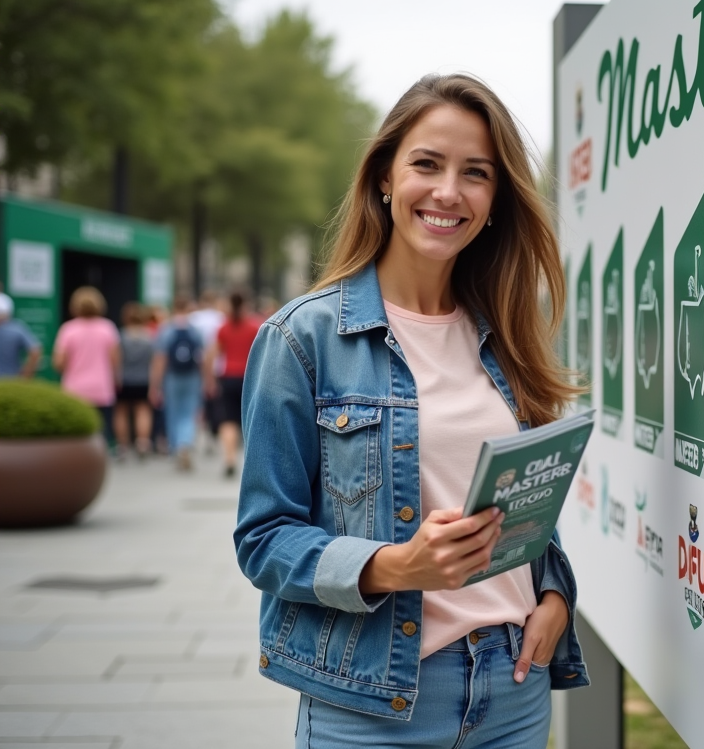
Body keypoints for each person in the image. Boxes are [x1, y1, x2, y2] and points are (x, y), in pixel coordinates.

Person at [234, 73, 588, 749]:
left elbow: (521, 510)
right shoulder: (302, 339)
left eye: (476, 173)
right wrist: (396, 566)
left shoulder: (508, 335)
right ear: (385, 178)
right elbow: (263, 539)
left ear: (495, 201)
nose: (448, 191)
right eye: (427, 164)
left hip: (514, 691)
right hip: (375, 707)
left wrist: (553, 595)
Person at [52, 287, 120, 446]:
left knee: (76, 431)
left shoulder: (68, 329)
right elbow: (115, 360)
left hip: (74, 388)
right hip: (101, 386)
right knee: (100, 430)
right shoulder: (107, 328)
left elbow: (59, 362)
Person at [205, 291, 258, 479]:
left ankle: (229, 460)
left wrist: (210, 380)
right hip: (249, 378)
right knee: (250, 420)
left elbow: (211, 355)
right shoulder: (253, 327)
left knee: (228, 421)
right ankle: (252, 461)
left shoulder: (223, 328)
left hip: (227, 378)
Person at [149, 296, 205, 470]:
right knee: (189, 412)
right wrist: (206, 379)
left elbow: (160, 359)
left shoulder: (166, 329)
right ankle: (185, 443)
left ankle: (176, 448)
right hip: (192, 376)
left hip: (172, 376)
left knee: (173, 412)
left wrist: (154, 385)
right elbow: (201, 357)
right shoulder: (195, 330)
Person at [114, 302, 155, 459]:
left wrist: (116, 377)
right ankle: (142, 443)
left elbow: (116, 360)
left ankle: (122, 446)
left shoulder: (121, 336)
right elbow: (153, 361)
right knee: (143, 410)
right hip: (143, 379)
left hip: (124, 379)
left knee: (121, 411)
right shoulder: (149, 337)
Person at [190, 291, 226, 455]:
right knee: (215, 403)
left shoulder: (193, 318)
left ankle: (196, 435)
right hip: (218, 367)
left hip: (195, 366)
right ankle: (213, 434)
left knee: (198, 402)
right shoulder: (221, 319)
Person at [0, 292, 42, 378]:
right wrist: (25, 376)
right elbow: (35, 350)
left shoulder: (16, 329)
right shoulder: (17, 328)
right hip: (12, 379)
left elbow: (35, 351)